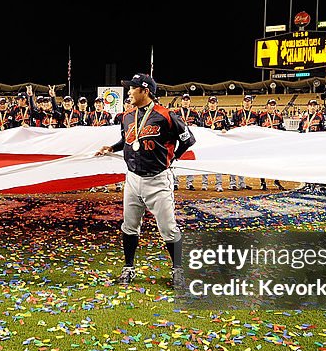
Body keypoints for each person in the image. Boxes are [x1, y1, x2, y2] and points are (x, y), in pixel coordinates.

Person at [95, 73, 195, 288]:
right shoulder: (127, 116)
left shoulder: (166, 115)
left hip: (158, 180)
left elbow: (188, 139)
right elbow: (128, 139)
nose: (128, 91)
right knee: (129, 226)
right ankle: (128, 268)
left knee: (168, 229)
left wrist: (173, 156)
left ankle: (178, 270)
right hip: (132, 178)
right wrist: (112, 148)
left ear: (145, 90)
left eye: (132, 88)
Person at [198, 96, 230, 191]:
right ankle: (204, 184)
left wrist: (225, 129)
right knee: (205, 162)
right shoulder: (204, 115)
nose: (212, 104)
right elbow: (200, 127)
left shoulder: (222, 114)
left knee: (217, 163)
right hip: (206, 142)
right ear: (208, 104)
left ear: (217, 104)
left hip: (218, 142)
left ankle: (219, 184)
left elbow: (228, 126)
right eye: (210, 103)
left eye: (214, 102)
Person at [258, 99, 286, 190]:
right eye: (270, 105)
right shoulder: (261, 116)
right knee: (262, 163)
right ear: (267, 106)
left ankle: (277, 181)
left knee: (276, 162)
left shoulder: (279, 117)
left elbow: (283, 129)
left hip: (275, 144)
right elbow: (257, 129)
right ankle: (263, 182)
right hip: (263, 144)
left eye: (274, 105)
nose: (272, 107)